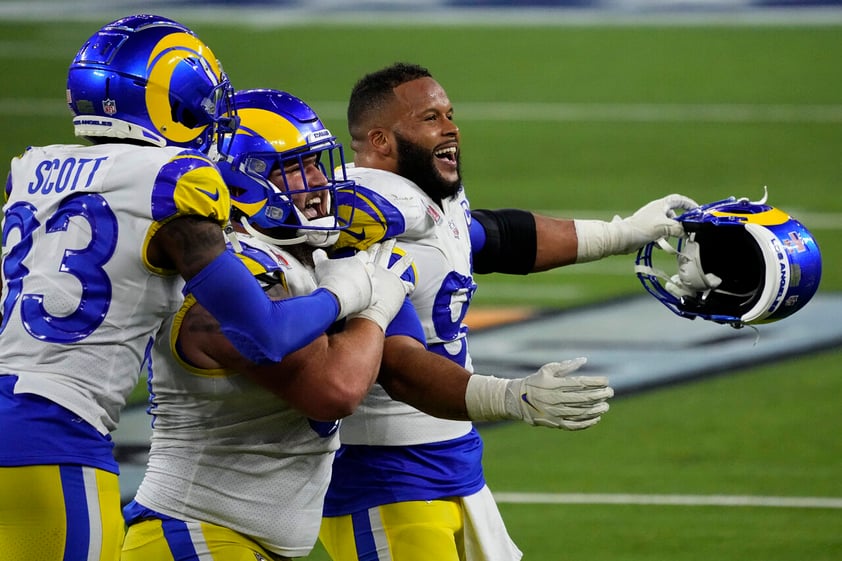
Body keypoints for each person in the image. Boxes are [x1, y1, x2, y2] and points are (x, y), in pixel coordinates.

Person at [120, 88, 613, 561]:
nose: (319, 183)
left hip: (239, 538)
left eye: (317, 163)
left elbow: (403, 355)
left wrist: (506, 395)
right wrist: (363, 299)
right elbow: (332, 390)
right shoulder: (230, 277)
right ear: (244, 180)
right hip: (195, 534)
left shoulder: (316, 253)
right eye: (296, 169)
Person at [0, 18, 391, 561]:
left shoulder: (32, 169)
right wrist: (345, 292)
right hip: (53, 430)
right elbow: (267, 336)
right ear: (172, 98)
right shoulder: (173, 178)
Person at [318, 62, 699, 561]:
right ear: (382, 140)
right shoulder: (366, 220)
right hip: (383, 474)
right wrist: (510, 396)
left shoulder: (426, 201)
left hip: (452, 461)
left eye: (450, 113)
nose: (452, 127)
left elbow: (501, 238)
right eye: (430, 117)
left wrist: (620, 234)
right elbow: (395, 366)